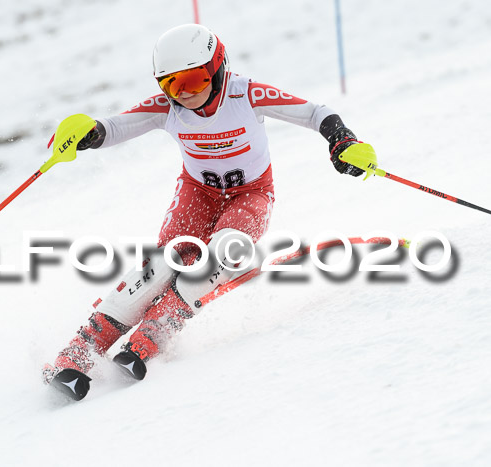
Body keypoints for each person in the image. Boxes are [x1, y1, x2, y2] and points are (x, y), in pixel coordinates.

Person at [43, 24, 372, 400]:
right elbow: (115, 126)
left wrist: (341, 140)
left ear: (217, 68)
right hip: (197, 193)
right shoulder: (169, 108)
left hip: (251, 195)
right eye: (173, 86)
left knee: (219, 256)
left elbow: (316, 112)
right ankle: (76, 355)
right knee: (162, 266)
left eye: (196, 81)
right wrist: (89, 133)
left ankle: (148, 341)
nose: (187, 95)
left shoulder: (245, 93)